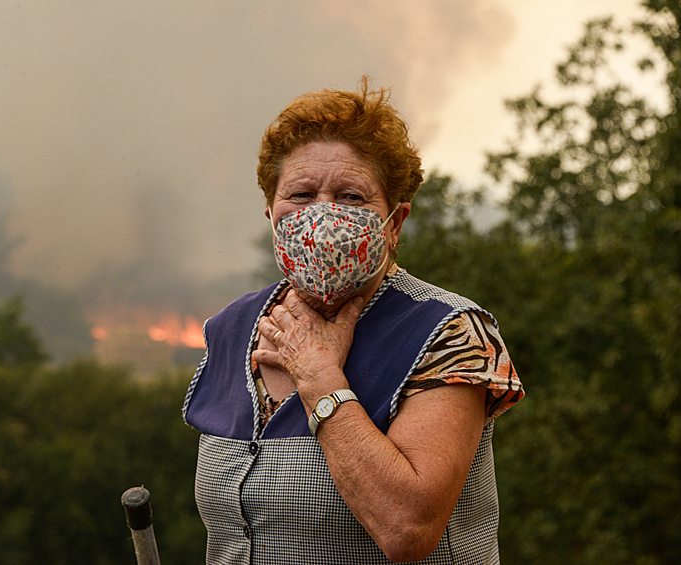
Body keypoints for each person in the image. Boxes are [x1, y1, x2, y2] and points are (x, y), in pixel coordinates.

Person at [182, 78, 524, 564]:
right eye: (300, 195)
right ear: (272, 215)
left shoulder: (447, 332)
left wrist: (319, 380)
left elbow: (408, 529)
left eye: (351, 196)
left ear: (395, 222)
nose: (322, 215)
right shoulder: (233, 329)